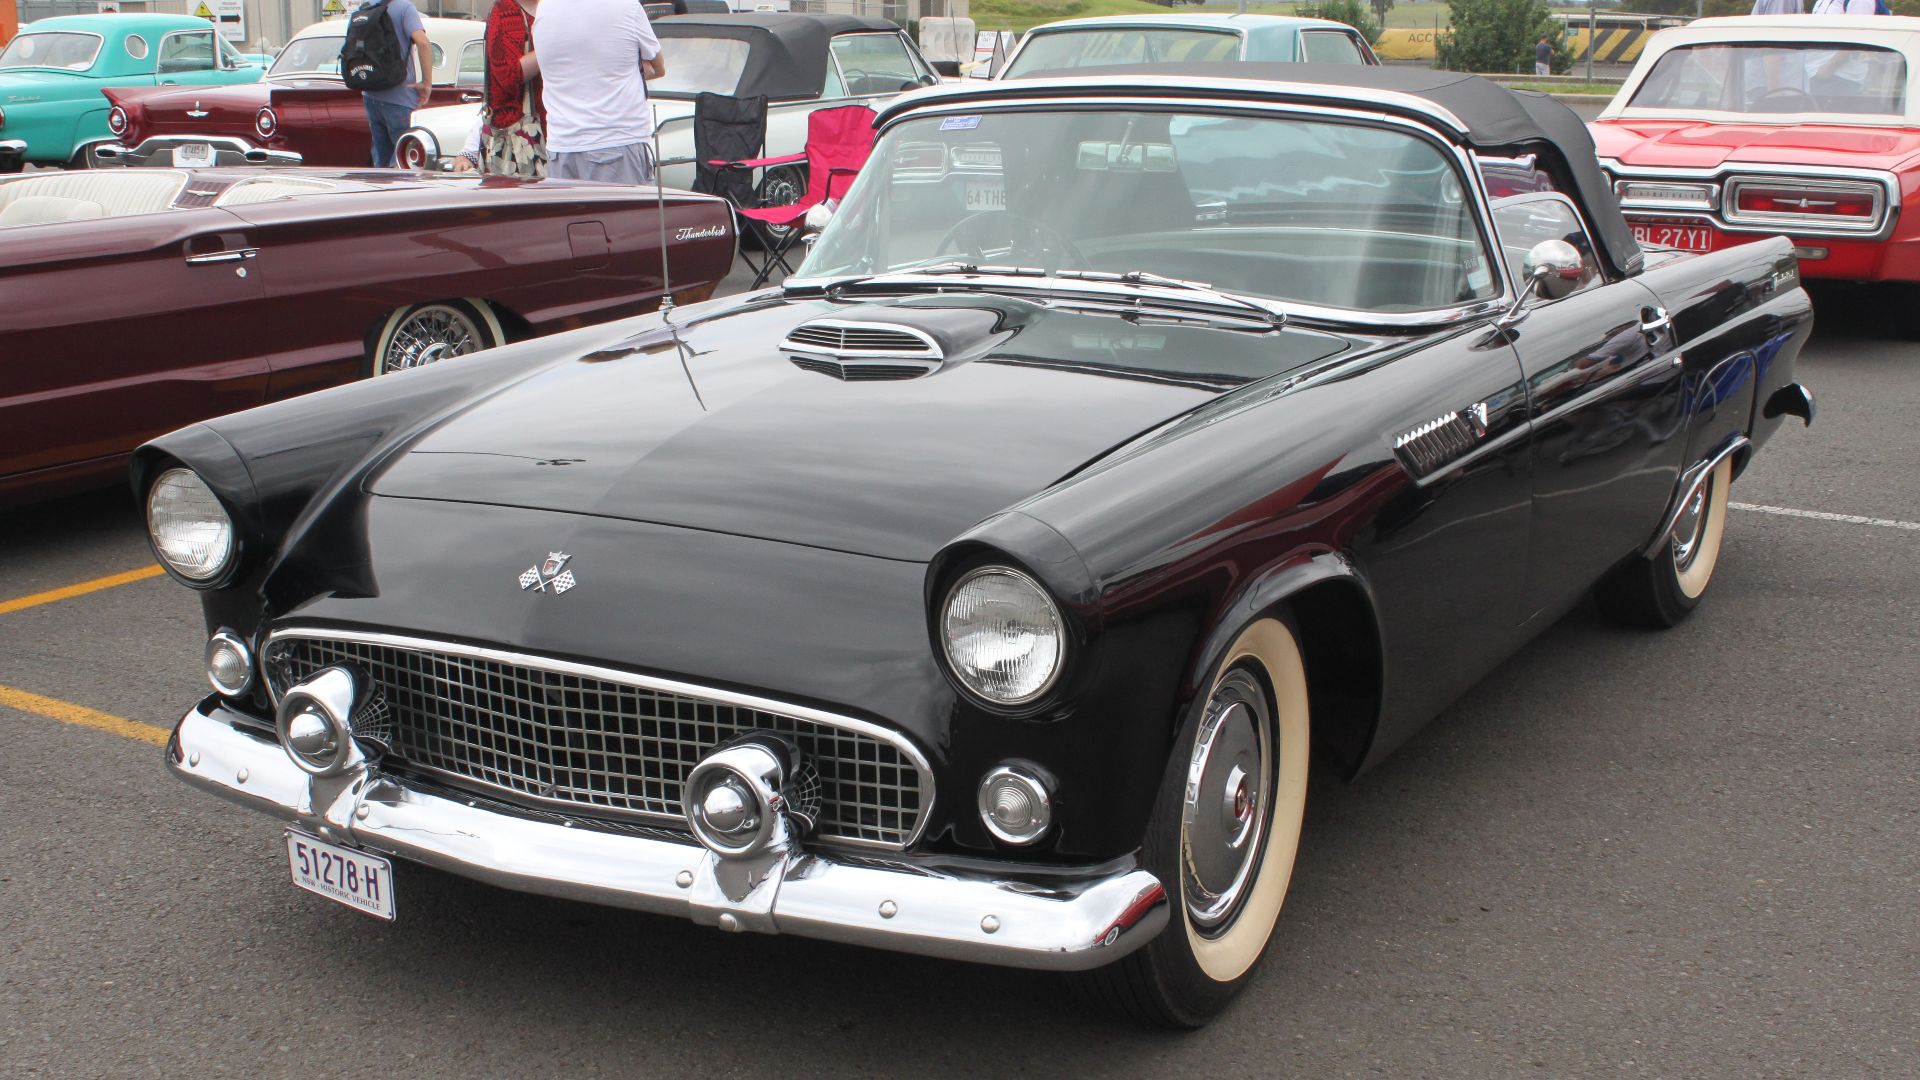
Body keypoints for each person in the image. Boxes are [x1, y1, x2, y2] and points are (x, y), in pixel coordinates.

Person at [532, 0, 665, 184]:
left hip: (561, 150)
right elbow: (658, 67)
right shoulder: (625, 6)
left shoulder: (545, 8)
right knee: (625, 213)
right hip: (616, 142)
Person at [360, 0, 432, 168]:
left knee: (381, 160)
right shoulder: (405, 8)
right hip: (400, 96)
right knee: (403, 160)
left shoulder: (367, 7)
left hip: (371, 94)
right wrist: (427, 82)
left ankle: (382, 192)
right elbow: (422, 42)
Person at [482, 0, 544, 177]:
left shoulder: (556, 7)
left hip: (558, 131)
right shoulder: (505, 10)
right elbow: (508, 76)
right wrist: (552, 47)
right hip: (524, 135)